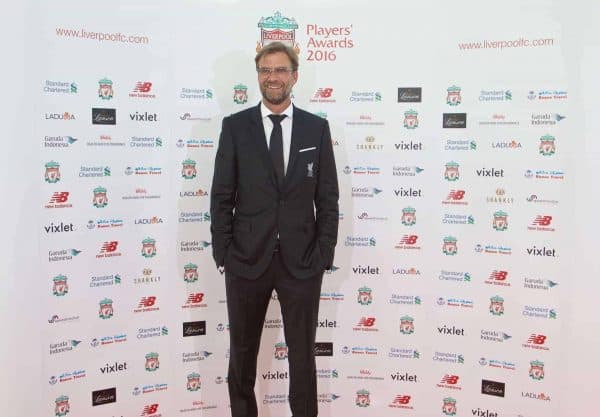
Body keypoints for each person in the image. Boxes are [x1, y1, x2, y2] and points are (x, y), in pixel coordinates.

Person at [210, 41, 339, 417]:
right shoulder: (235, 128)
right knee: (243, 357)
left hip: (301, 263)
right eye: (266, 70)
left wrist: (323, 254)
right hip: (246, 261)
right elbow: (221, 196)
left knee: (302, 360)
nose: (273, 78)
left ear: (294, 76)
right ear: (258, 76)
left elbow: (328, 200)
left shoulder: (316, 129)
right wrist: (225, 253)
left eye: (281, 70)